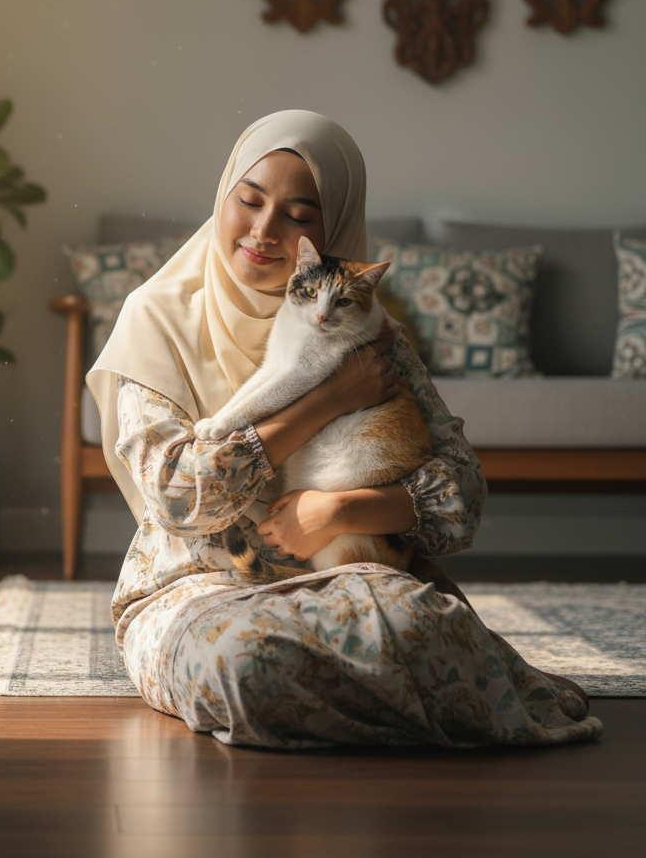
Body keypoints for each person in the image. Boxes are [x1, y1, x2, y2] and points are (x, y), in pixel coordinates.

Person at [87, 110, 601, 749]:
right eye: (248, 201)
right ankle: (408, 702)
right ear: (224, 197)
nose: (264, 230)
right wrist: (325, 401)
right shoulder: (154, 319)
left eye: (299, 216)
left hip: (350, 576)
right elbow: (175, 496)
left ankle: (368, 698)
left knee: (417, 631)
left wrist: (339, 508)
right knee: (247, 664)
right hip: (200, 586)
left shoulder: (367, 327)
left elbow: (461, 496)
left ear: (331, 233)